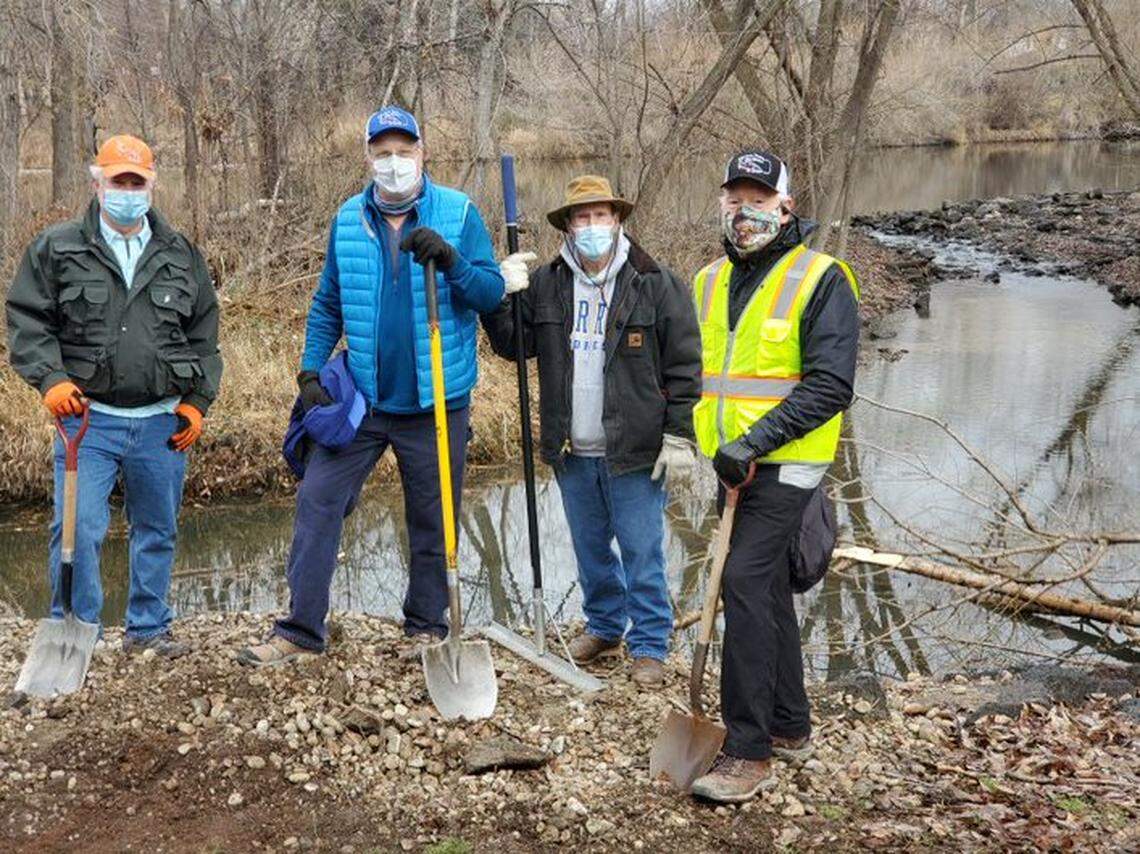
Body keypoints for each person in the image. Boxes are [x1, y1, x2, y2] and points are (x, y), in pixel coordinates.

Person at [239, 106, 504, 665]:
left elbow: (490, 293)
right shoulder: (347, 219)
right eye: (382, 152)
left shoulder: (458, 213)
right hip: (362, 400)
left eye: (403, 151)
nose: (393, 162)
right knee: (318, 498)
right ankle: (301, 630)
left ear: (421, 152)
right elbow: (327, 303)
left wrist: (452, 260)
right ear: (367, 157)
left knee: (434, 517)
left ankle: (426, 627)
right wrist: (310, 371)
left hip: (437, 399)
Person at [6, 134, 223, 657]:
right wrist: (51, 379)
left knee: (157, 529)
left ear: (151, 185)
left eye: (136, 182)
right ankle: (77, 630)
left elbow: (205, 334)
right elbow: (28, 321)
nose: (127, 191)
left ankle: (149, 628)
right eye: (117, 181)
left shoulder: (180, 253)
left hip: (161, 422)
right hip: (88, 422)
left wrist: (197, 401)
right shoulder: (57, 248)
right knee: (77, 531)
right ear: (97, 183)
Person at [687, 151, 859, 802]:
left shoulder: (822, 278)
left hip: (790, 462)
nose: (745, 209)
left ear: (786, 207)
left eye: (759, 198)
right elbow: (701, 379)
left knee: (745, 578)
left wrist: (754, 443)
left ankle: (747, 750)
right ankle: (790, 725)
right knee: (766, 589)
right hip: (732, 463)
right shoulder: (707, 282)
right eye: (735, 197)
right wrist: (708, 448)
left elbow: (831, 386)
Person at [482, 175, 701, 687]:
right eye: (582, 218)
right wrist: (497, 296)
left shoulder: (654, 281)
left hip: (635, 448)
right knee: (590, 547)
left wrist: (680, 432)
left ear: (618, 220)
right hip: (571, 445)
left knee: (642, 548)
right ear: (568, 227)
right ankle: (604, 626)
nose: (592, 226)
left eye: (601, 215)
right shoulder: (548, 284)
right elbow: (514, 346)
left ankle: (649, 643)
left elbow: (685, 362)